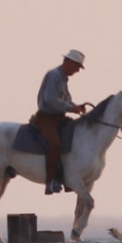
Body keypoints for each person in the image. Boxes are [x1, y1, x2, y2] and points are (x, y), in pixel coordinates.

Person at [33, 49, 88, 193]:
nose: (77, 70)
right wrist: (71, 108)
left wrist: (76, 106)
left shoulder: (63, 78)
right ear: (69, 62)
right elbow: (50, 100)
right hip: (46, 119)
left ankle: (67, 177)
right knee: (55, 144)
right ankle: (50, 181)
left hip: (59, 119)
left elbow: (66, 99)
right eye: (77, 67)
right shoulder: (54, 75)